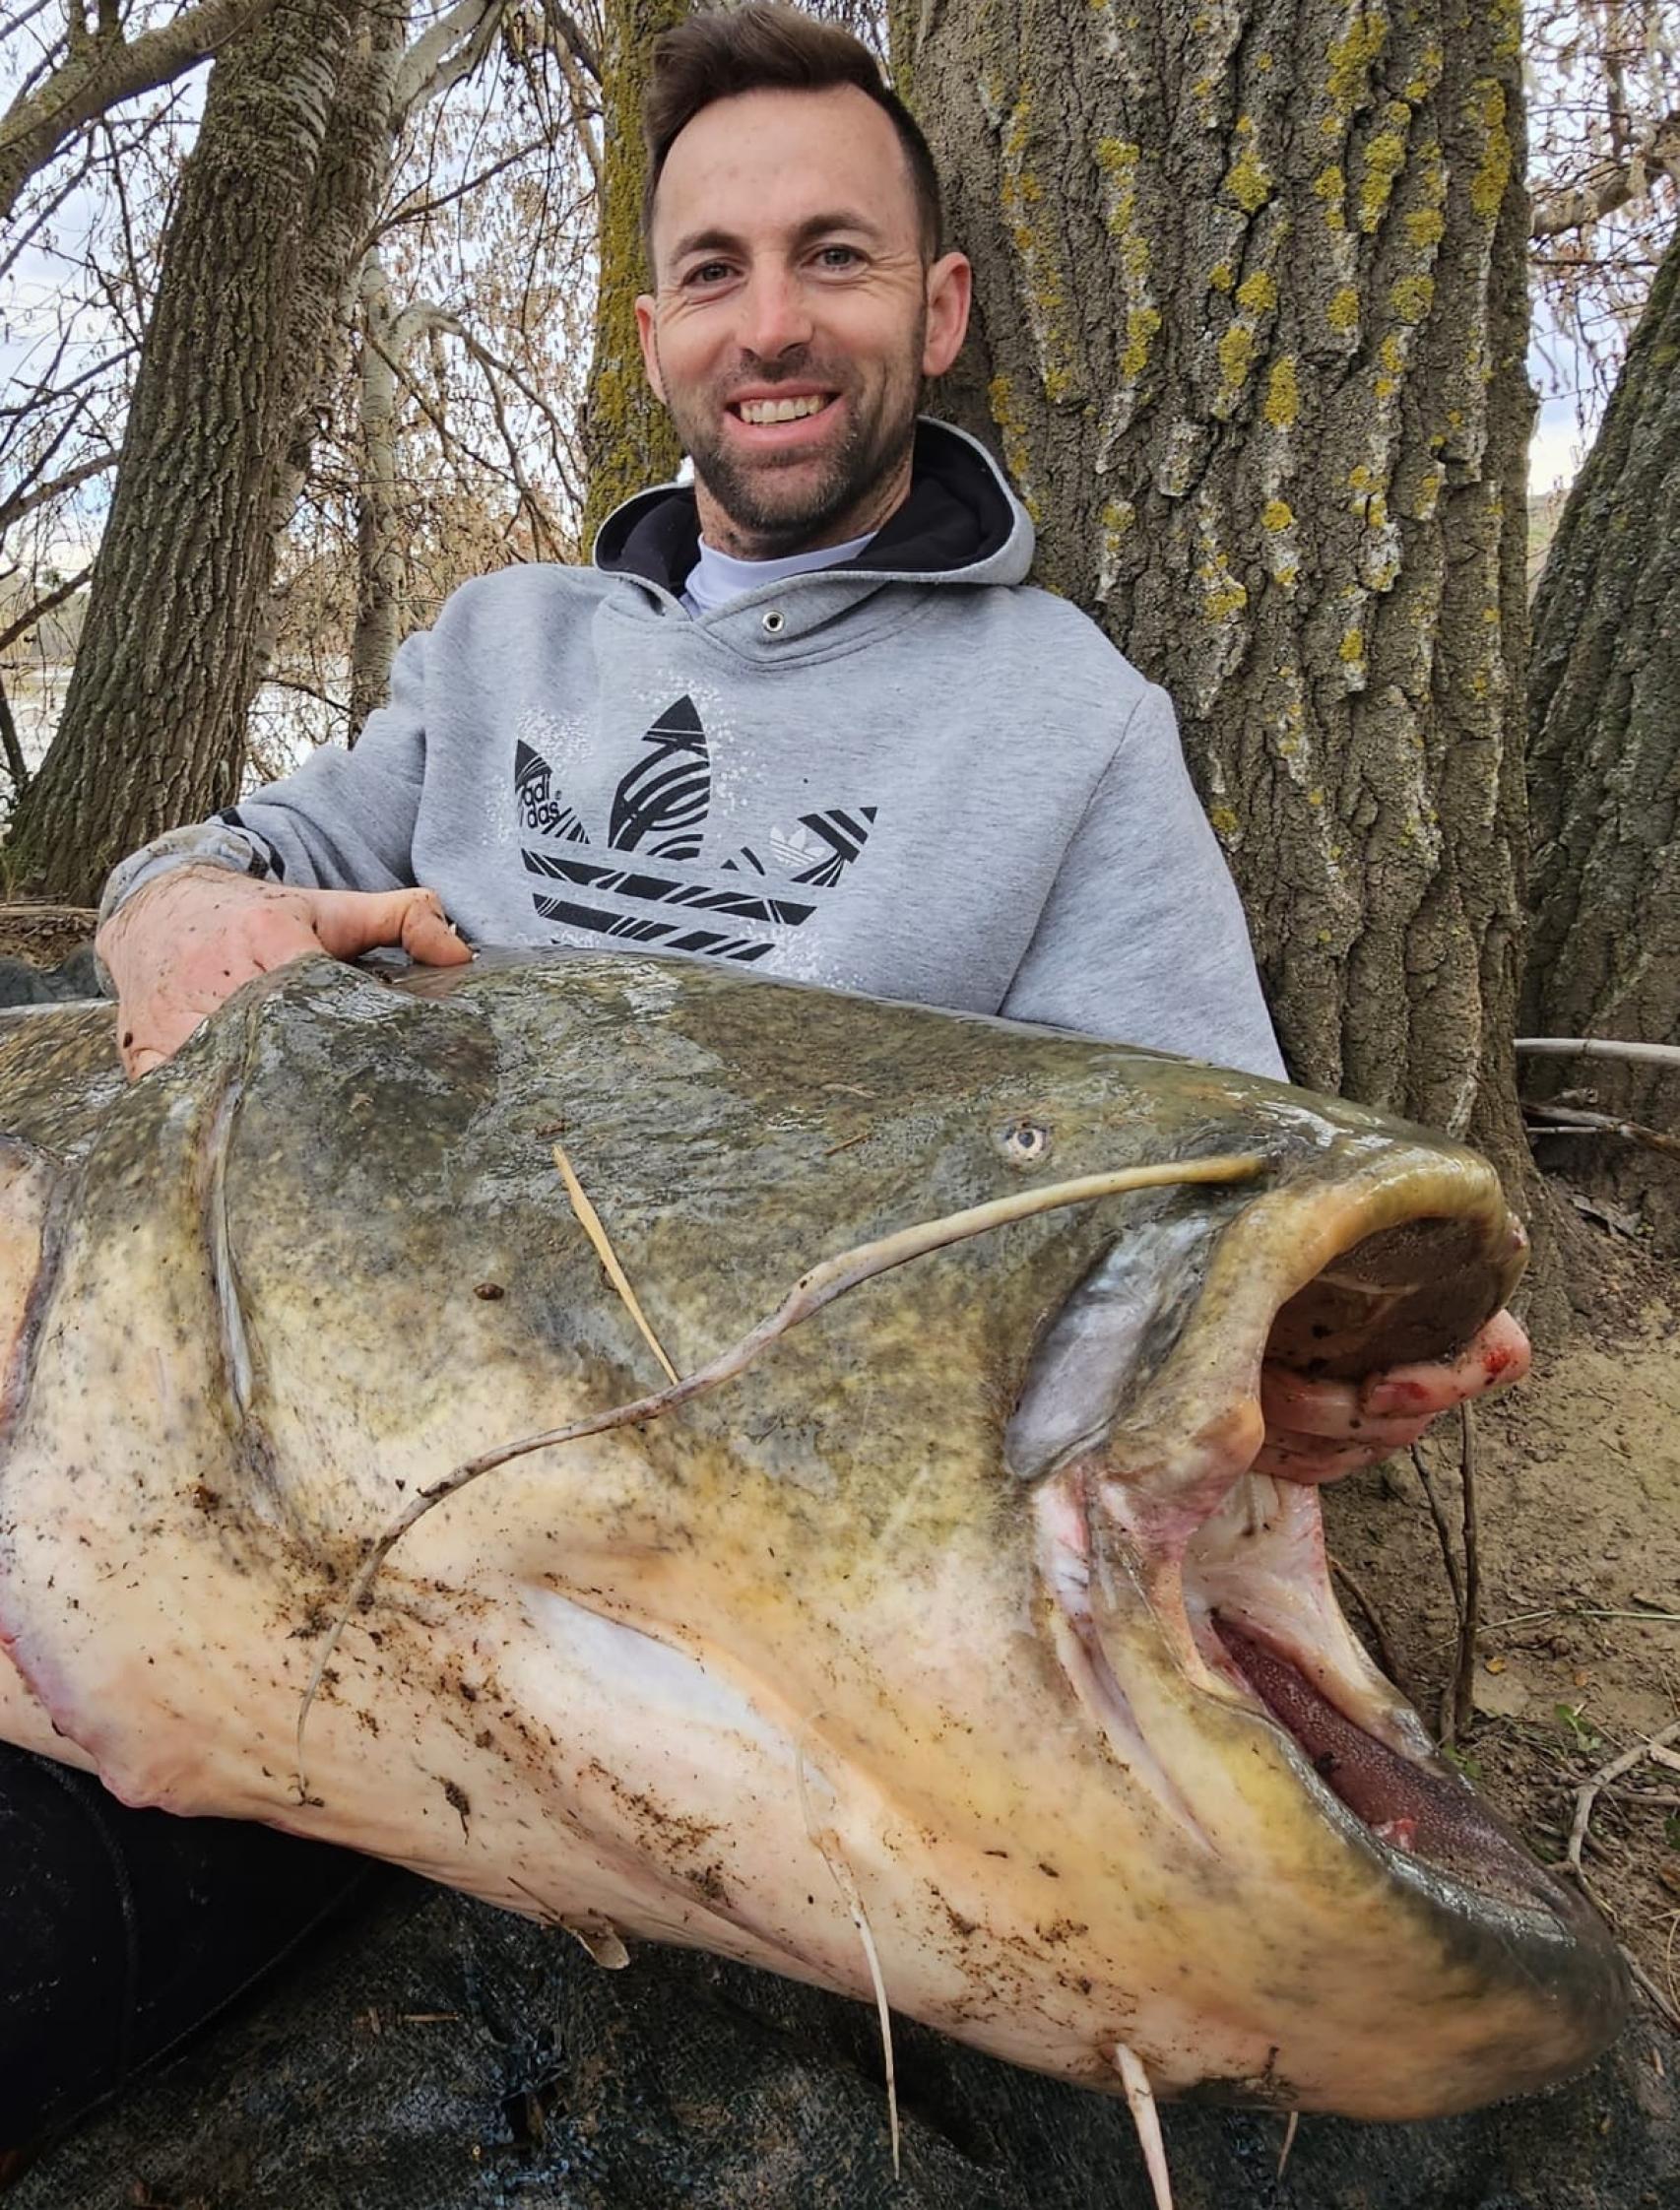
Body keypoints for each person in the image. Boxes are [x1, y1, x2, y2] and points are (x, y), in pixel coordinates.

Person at [9, 0, 1525, 2160]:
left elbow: (1189, 1184)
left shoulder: (1065, 723)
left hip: (609, 1562)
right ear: (655, 332)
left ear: (940, 304)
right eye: (716, 270)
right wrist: (170, 914)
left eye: (833, 255)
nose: (773, 323)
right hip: (249, 1433)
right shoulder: (501, 643)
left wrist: (1287, 1374)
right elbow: (223, 871)